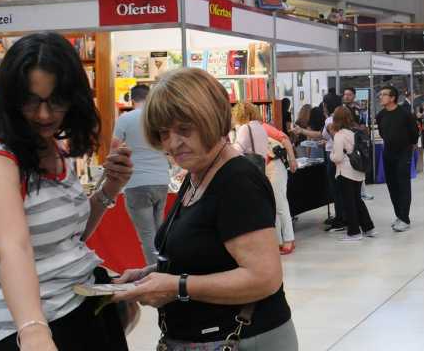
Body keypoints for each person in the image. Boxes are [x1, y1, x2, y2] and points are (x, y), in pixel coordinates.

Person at [0, 33, 134, 350]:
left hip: (82, 307)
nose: (44, 114)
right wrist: (33, 331)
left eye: (55, 101)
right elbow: (14, 249)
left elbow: (68, 239)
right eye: (32, 100)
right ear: (11, 99)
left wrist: (109, 189)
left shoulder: (53, 149)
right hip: (29, 322)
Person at [114, 68, 296, 349]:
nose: (173, 143)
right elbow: (210, 256)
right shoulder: (198, 173)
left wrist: (176, 286)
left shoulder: (236, 181)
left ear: (210, 120)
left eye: (184, 130)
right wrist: (153, 274)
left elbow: (264, 277)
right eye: (164, 133)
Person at [113, 84, 170, 266]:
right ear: (150, 97)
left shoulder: (125, 118)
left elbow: (114, 147)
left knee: (147, 234)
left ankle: (156, 274)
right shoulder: (158, 119)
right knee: (160, 232)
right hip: (161, 180)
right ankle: (166, 271)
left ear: (132, 100)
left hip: (136, 181)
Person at [240, 103, 299, 255]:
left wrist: (292, 159)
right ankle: (280, 240)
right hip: (268, 167)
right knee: (275, 204)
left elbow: (284, 139)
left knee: (280, 204)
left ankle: (288, 240)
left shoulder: (262, 127)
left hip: (275, 166)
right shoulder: (258, 128)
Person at [328, 106, 375, 242]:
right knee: (357, 200)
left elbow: (337, 158)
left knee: (349, 202)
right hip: (358, 170)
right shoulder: (353, 132)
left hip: (345, 172)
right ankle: (368, 227)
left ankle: (354, 232)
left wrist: (331, 155)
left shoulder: (339, 135)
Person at [376, 86, 419, 232]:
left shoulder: (405, 114)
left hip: (404, 152)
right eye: (380, 94)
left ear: (393, 97)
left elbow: (414, 133)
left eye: (384, 94)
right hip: (388, 153)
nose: (381, 97)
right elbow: (382, 133)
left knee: (403, 185)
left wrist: (409, 147)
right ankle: (399, 215)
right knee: (392, 185)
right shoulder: (380, 115)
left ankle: (405, 218)